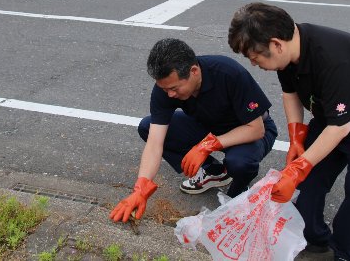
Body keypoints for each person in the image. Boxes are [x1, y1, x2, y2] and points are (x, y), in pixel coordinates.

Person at [228, 2, 350, 261]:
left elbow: (340, 128)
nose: (254, 64)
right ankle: (315, 239)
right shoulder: (288, 57)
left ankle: (346, 251)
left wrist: (297, 168)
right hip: (333, 117)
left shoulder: (332, 57)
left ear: (276, 45)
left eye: (255, 57)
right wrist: (296, 136)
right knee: (308, 185)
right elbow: (290, 92)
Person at [109, 38, 278, 223]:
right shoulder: (165, 88)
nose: (170, 95)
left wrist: (206, 145)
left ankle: (239, 190)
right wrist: (140, 188)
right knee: (147, 127)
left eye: (174, 88)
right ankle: (214, 171)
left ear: (194, 72)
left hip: (246, 130)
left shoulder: (228, 73)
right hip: (207, 125)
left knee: (239, 162)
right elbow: (155, 143)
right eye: (165, 89)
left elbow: (256, 129)